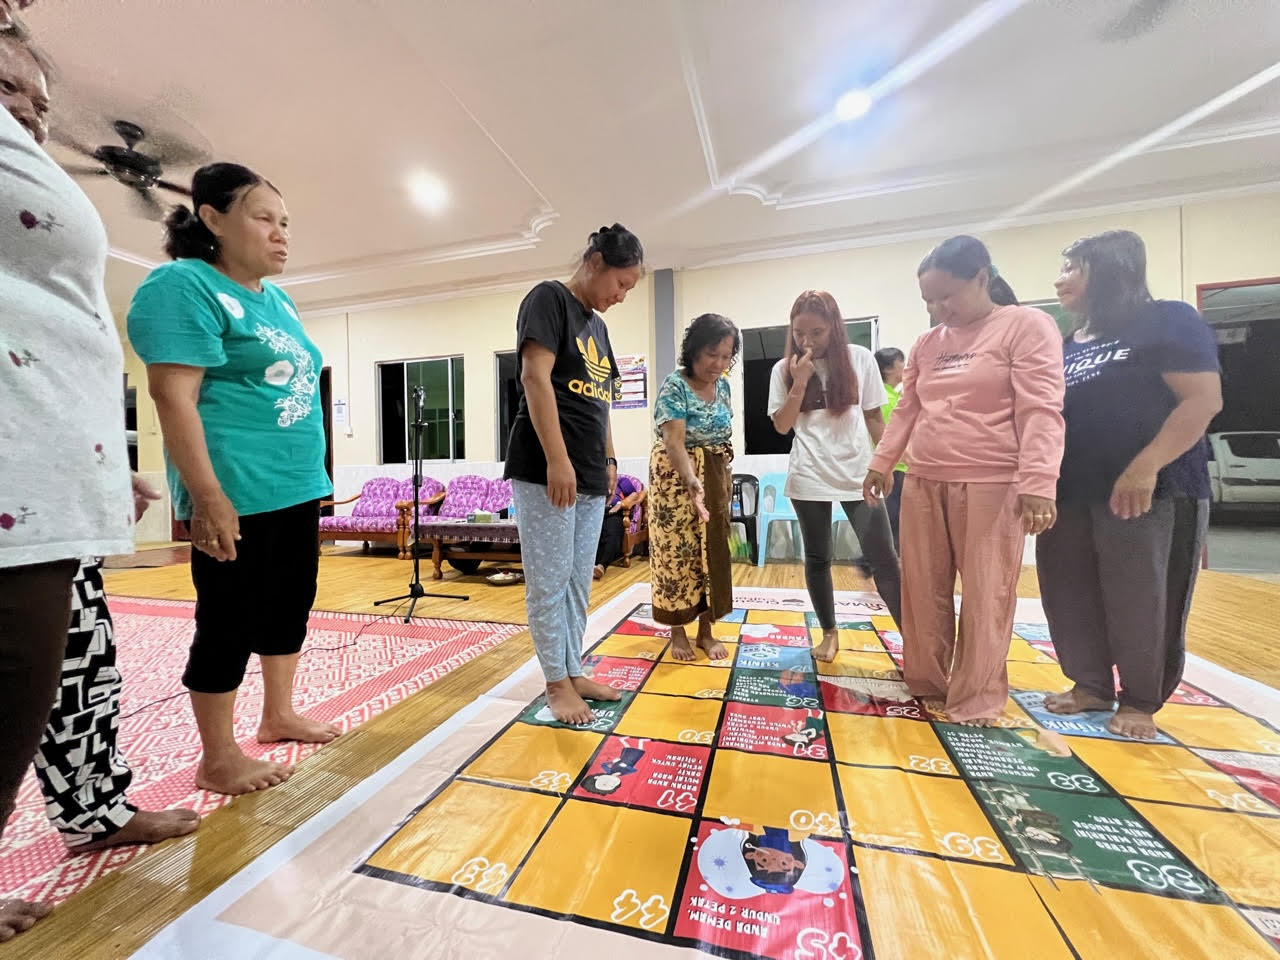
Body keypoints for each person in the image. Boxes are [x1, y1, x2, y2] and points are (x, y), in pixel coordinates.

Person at [127, 163, 338, 796]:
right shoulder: (183, 284)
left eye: (285, 222)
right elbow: (173, 396)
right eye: (263, 218)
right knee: (228, 618)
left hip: (295, 484)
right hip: (236, 488)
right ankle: (217, 757)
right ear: (213, 219)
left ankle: (278, 715)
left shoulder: (279, 300)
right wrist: (208, 496)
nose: (281, 234)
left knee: (290, 602)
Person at [0, 8, 133, 940]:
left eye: (42, 104)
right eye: (9, 89)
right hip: (18, 478)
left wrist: (107, 465)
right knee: (15, 680)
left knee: (70, 670)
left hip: (55, 472)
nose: (31, 114)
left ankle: (96, 810)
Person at [865, 236, 1065, 726]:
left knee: (985, 593)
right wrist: (883, 462)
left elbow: (1041, 408)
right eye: (928, 300)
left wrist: (1039, 480)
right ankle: (927, 681)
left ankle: (976, 696)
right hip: (924, 478)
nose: (937, 310)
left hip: (991, 482)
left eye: (946, 297)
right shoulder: (928, 344)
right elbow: (908, 408)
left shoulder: (1026, 326)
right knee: (922, 588)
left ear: (982, 278)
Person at [1037, 230, 1221, 740]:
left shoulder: (1168, 320)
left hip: (1151, 490)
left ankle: (1140, 699)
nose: (1059, 280)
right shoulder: (1069, 342)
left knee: (1142, 595)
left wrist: (1145, 466)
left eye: (1071, 269)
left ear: (1109, 270)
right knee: (1070, 591)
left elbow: (1202, 400)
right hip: (1073, 489)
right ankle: (1091, 684)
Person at [504, 224, 644, 724]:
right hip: (546, 468)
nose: (622, 296)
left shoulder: (598, 328)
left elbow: (601, 402)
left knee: (578, 582)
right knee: (549, 580)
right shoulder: (549, 300)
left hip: (587, 472)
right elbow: (534, 378)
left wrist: (609, 460)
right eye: (621, 283)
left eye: (630, 289)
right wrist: (557, 459)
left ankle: (573, 668)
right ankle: (555, 682)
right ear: (596, 261)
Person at [768, 291, 902, 662]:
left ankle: (914, 638)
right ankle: (829, 633)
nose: (807, 341)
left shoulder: (859, 359)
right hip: (808, 474)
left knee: (884, 559)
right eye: (799, 333)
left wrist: (884, 463)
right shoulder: (783, 370)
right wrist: (799, 381)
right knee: (818, 558)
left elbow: (874, 417)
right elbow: (782, 425)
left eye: (817, 332)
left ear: (835, 328)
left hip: (858, 473)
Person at [649, 313, 739, 660]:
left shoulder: (724, 386)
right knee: (678, 554)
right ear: (694, 351)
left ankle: (706, 631)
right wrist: (692, 482)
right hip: (675, 479)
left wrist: (720, 477)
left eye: (726, 356)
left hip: (713, 475)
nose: (718, 364)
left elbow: (723, 436)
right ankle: (677, 631)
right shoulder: (675, 385)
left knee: (712, 553)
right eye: (711, 354)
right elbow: (674, 441)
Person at [874, 346, 908, 548]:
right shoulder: (887, 400)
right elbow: (890, 439)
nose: (905, 366)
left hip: (898, 468)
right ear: (887, 369)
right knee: (893, 523)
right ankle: (870, 561)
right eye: (901, 361)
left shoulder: (892, 397)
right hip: (895, 469)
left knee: (895, 524)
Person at [593, 475, 642, 579]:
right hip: (596, 512)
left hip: (615, 512)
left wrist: (620, 504)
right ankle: (591, 565)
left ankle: (602, 565)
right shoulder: (594, 479)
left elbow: (635, 494)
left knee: (611, 533)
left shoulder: (620, 481)